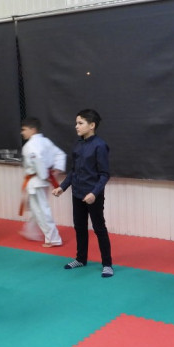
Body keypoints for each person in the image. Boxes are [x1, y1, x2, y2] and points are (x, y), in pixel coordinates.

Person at [53, 109, 113, 277]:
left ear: (92, 125)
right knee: (79, 227)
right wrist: (62, 187)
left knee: (99, 228)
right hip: (77, 193)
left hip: (93, 196)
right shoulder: (78, 145)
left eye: (80, 123)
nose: (76, 126)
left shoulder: (100, 145)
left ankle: (107, 264)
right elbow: (73, 171)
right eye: (76, 123)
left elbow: (104, 174)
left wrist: (94, 193)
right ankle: (81, 258)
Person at [20, 117, 64, 248]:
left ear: (33, 129)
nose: (22, 132)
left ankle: (54, 239)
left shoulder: (30, 145)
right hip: (40, 180)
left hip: (36, 181)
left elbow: (38, 159)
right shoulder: (46, 141)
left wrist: (44, 175)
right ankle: (31, 232)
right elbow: (60, 154)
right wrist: (56, 170)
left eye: (24, 129)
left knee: (42, 210)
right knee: (37, 209)